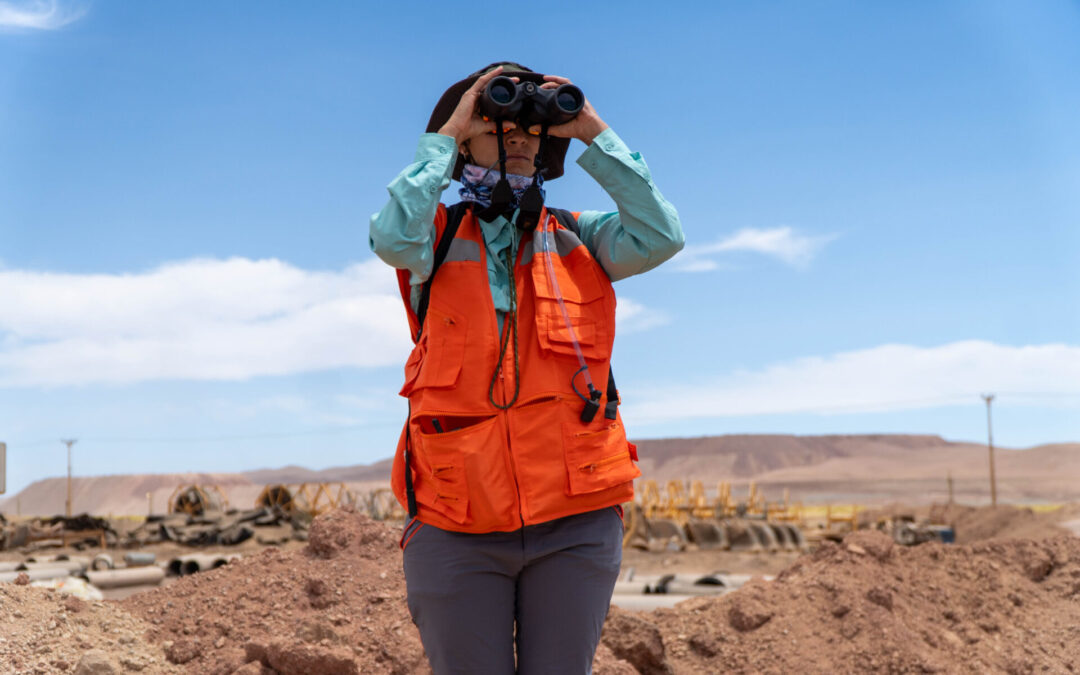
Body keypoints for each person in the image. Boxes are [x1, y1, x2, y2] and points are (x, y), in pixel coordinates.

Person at [369, 62, 683, 674]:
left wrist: (593, 129)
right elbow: (391, 237)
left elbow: (661, 235)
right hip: (455, 522)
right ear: (464, 141)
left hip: (575, 519)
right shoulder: (432, 239)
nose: (518, 138)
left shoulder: (581, 238)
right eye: (497, 124)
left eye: (531, 130)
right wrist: (448, 132)